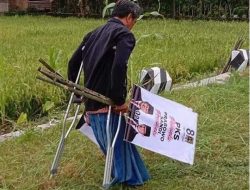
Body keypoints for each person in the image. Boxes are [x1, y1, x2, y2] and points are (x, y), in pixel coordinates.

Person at [67, 0, 150, 187]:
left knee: (117, 139)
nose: (133, 24)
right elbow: (119, 66)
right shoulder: (124, 35)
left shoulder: (93, 34)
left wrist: (76, 91)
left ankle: (130, 174)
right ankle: (125, 177)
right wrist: (118, 99)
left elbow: (73, 64)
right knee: (116, 138)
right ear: (129, 17)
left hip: (91, 101)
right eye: (134, 20)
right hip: (106, 100)